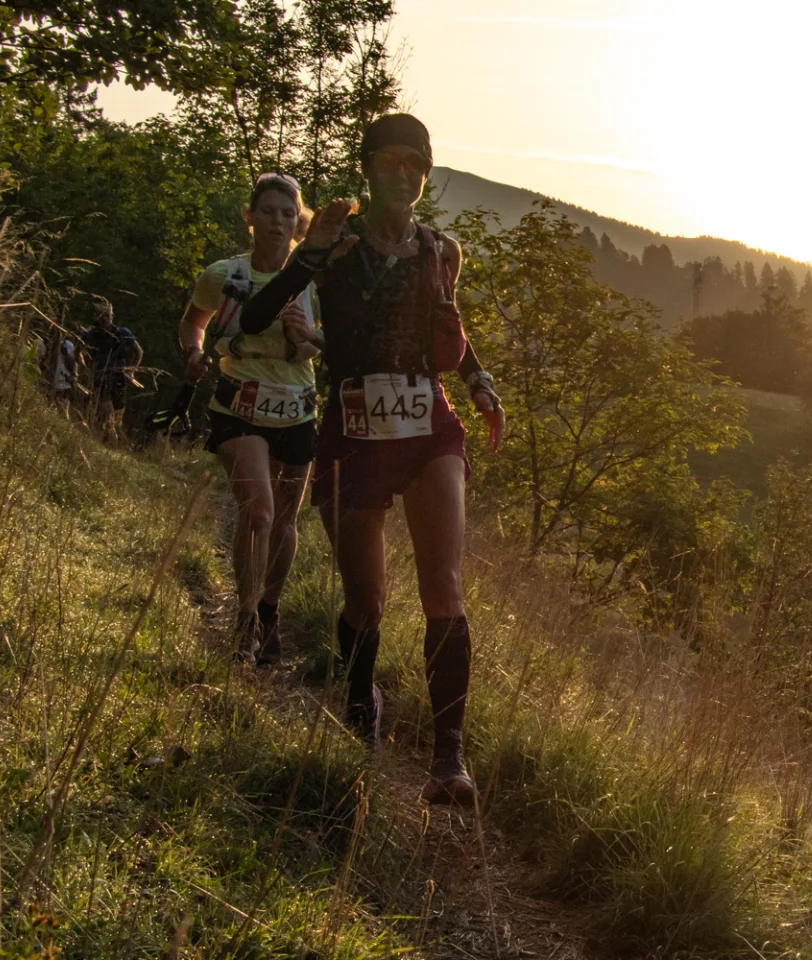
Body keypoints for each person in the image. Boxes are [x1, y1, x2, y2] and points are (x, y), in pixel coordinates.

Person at [240, 114, 505, 807]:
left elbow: (451, 327)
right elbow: (257, 317)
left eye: (413, 163)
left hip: (428, 427)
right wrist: (305, 256)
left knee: (442, 583)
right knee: (366, 600)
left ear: (424, 173)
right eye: (388, 161)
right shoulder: (334, 245)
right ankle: (361, 711)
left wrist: (478, 383)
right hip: (354, 434)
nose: (401, 174)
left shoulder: (438, 250)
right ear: (367, 168)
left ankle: (450, 760)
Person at [179, 172, 322, 665]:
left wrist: (308, 335)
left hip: (297, 408)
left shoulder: (314, 279)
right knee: (259, 513)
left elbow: (328, 345)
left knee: (283, 522)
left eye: (288, 214)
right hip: (237, 407)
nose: (278, 222)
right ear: (250, 217)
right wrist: (194, 354)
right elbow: (193, 322)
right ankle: (244, 620)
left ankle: (269, 611)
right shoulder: (223, 275)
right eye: (268, 212)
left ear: (298, 222)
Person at [81, 299, 141, 441]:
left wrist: (131, 370)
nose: (106, 319)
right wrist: (85, 369)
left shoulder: (122, 332)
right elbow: (79, 350)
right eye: (103, 315)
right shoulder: (91, 334)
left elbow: (138, 351)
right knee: (108, 412)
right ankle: (111, 439)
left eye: (108, 315)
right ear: (96, 317)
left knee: (118, 413)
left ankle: (115, 442)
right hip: (101, 375)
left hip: (119, 375)